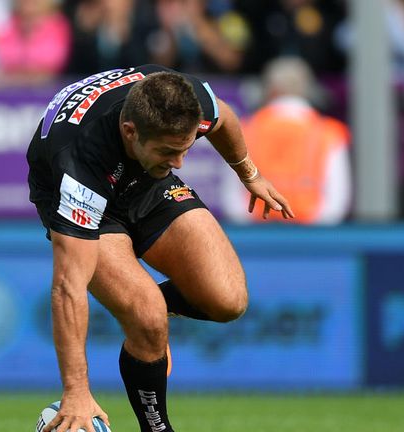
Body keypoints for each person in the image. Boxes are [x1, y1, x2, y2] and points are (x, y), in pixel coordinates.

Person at [27, 65, 293, 432]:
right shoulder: (78, 163)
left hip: (146, 181)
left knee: (228, 300)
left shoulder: (185, 102)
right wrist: (76, 392)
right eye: (169, 150)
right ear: (130, 131)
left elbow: (224, 117)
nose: (180, 162)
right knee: (147, 317)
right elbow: (68, 286)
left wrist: (250, 175)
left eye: (185, 149)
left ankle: (145, 313)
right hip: (87, 190)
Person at [241, 57, 351, 225]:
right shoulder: (329, 132)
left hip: (258, 230)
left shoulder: (247, 129)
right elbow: (337, 197)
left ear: (270, 89)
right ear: (307, 88)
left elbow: (233, 197)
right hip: (311, 233)